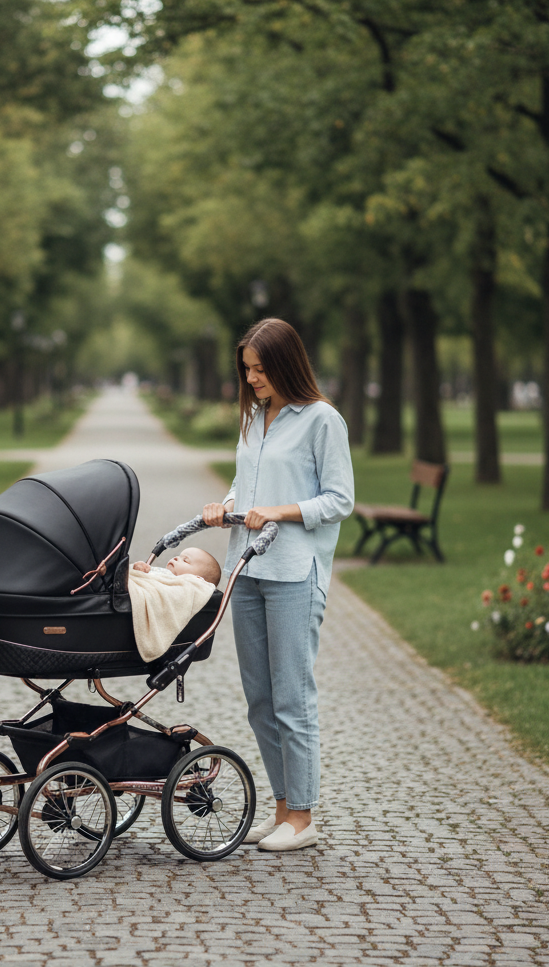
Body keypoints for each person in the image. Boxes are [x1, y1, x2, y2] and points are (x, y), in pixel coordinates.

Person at [203, 318, 353, 853]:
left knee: (292, 697)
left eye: (261, 369)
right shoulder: (253, 418)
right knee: (260, 700)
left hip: (293, 572)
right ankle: (284, 810)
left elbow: (340, 499)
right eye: (247, 370)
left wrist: (279, 512)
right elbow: (246, 481)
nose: (252, 379)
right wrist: (226, 504)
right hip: (246, 570)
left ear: (287, 365)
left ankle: (305, 817)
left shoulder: (322, 420)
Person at [131, 547, 222, 585]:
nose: (176, 558)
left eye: (185, 560)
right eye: (179, 556)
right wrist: (142, 571)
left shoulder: (186, 589)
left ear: (197, 579)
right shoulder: (163, 573)